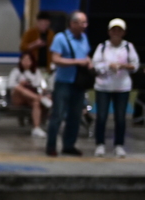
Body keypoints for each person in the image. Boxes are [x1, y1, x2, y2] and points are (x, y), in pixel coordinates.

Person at [46, 11, 92, 156]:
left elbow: (86, 55)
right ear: (72, 23)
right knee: (58, 115)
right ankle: (51, 146)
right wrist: (77, 62)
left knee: (75, 116)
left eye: (85, 23)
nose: (85, 26)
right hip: (63, 83)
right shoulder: (60, 38)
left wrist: (88, 62)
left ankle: (69, 145)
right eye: (82, 23)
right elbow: (56, 59)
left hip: (78, 83)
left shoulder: (84, 38)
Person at [92, 18, 139, 158]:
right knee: (101, 116)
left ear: (123, 32)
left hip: (122, 87)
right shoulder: (102, 47)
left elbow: (135, 65)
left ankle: (119, 145)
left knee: (120, 117)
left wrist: (124, 66)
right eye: (114, 30)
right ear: (109, 32)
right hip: (103, 87)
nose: (116, 33)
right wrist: (108, 66)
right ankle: (99, 144)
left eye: (119, 30)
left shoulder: (128, 47)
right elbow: (96, 65)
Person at [7, 52, 51, 138]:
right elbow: (10, 85)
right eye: (24, 60)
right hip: (18, 97)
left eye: (28, 60)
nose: (26, 62)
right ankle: (41, 99)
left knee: (36, 103)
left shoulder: (36, 72)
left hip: (30, 97)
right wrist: (21, 84)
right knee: (19, 88)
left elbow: (38, 85)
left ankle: (36, 128)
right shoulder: (16, 71)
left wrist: (30, 83)